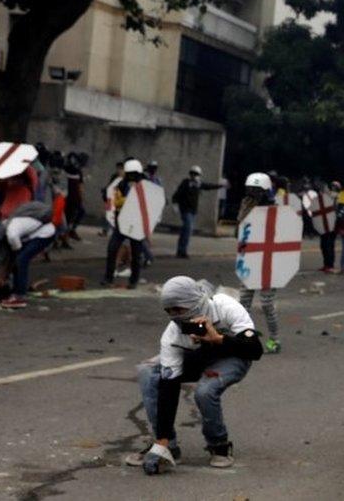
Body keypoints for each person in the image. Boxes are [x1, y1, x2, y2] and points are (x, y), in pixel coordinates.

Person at [125, 276, 262, 475]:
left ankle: (218, 444)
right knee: (148, 372)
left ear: (194, 303)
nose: (175, 316)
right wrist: (162, 439)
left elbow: (255, 350)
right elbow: (168, 387)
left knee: (205, 391)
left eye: (179, 310)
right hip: (197, 358)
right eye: (169, 311)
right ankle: (167, 446)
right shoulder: (172, 335)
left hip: (233, 357)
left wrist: (218, 338)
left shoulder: (225, 306)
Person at [236, 173, 283, 354]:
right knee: (243, 304)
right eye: (251, 190)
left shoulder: (277, 209)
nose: (252, 194)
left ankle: (274, 339)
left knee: (266, 304)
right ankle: (243, 338)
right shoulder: (246, 204)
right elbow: (240, 231)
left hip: (270, 263)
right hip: (249, 260)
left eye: (256, 191)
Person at [0, 201, 57, 309]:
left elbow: (15, 256)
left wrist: (4, 274)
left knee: (21, 260)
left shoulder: (11, 233)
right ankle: (16, 290)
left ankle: (19, 296)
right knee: (18, 260)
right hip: (32, 234)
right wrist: (3, 274)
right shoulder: (6, 226)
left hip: (45, 233)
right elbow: (10, 256)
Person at [101, 159, 146, 288]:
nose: (131, 177)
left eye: (134, 174)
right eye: (129, 174)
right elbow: (113, 199)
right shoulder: (121, 184)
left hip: (136, 225)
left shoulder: (144, 186)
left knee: (136, 254)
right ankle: (108, 277)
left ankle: (133, 281)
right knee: (112, 249)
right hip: (122, 223)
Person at [171, 165, 225, 259]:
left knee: (185, 231)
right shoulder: (185, 183)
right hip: (185, 210)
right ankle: (183, 251)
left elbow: (209, 186)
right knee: (188, 229)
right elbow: (176, 195)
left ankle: (180, 251)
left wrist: (221, 186)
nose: (194, 176)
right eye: (192, 174)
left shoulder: (198, 184)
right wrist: (175, 206)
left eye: (196, 174)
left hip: (193, 211)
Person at [63, 152, 87, 242]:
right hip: (70, 198)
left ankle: (69, 233)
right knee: (67, 217)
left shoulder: (70, 170)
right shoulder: (72, 170)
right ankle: (66, 235)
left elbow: (80, 187)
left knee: (69, 216)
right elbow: (80, 187)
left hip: (69, 198)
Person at [318, 180, 341, 273]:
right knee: (323, 244)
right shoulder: (326, 196)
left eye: (335, 187)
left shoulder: (339, 198)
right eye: (332, 186)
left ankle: (330, 265)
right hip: (324, 223)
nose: (333, 188)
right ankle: (326, 264)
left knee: (329, 245)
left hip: (333, 224)